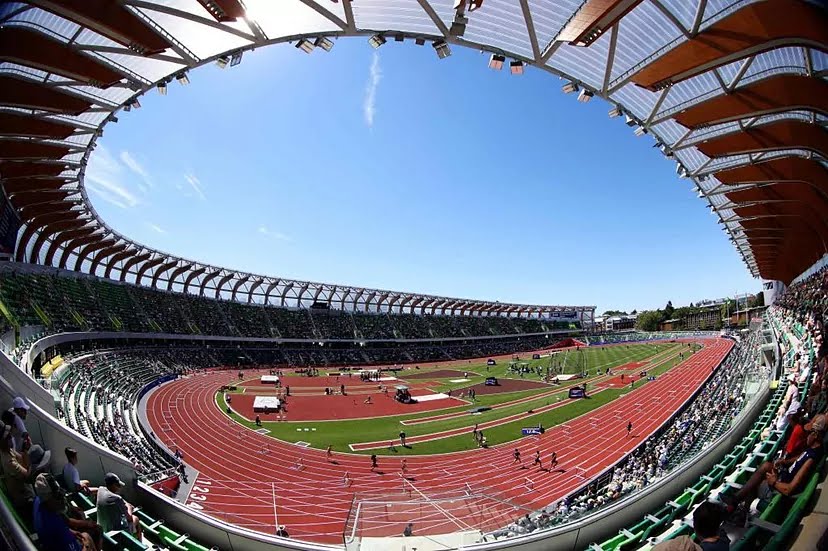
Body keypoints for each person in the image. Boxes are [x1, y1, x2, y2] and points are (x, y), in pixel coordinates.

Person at [724, 414, 826, 513]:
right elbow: (799, 458)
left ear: (815, 435)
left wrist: (774, 482)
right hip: (784, 475)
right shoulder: (813, 448)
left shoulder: (811, 458)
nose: (806, 436)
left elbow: (789, 489)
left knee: (756, 479)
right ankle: (737, 502)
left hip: (782, 485)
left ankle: (739, 506)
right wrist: (784, 462)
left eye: (808, 433)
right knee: (765, 467)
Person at [32, 474, 96, 551]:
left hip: (52, 542)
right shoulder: (56, 527)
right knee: (87, 537)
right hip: (59, 545)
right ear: (47, 499)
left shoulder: (39, 501)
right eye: (57, 497)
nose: (62, 500)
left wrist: (72, 532)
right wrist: (86, 545)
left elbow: (63, 520)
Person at [96, 473, 141, 539]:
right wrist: (129, 507)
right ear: (113, 485)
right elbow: (129, 518)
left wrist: (124, 501)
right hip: (115, 532)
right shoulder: (117, 498)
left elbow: (116, 498)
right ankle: (139, 543)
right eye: (117, 485)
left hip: (101, 526)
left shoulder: (100, 489)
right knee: (135, 518)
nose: (119, 487)